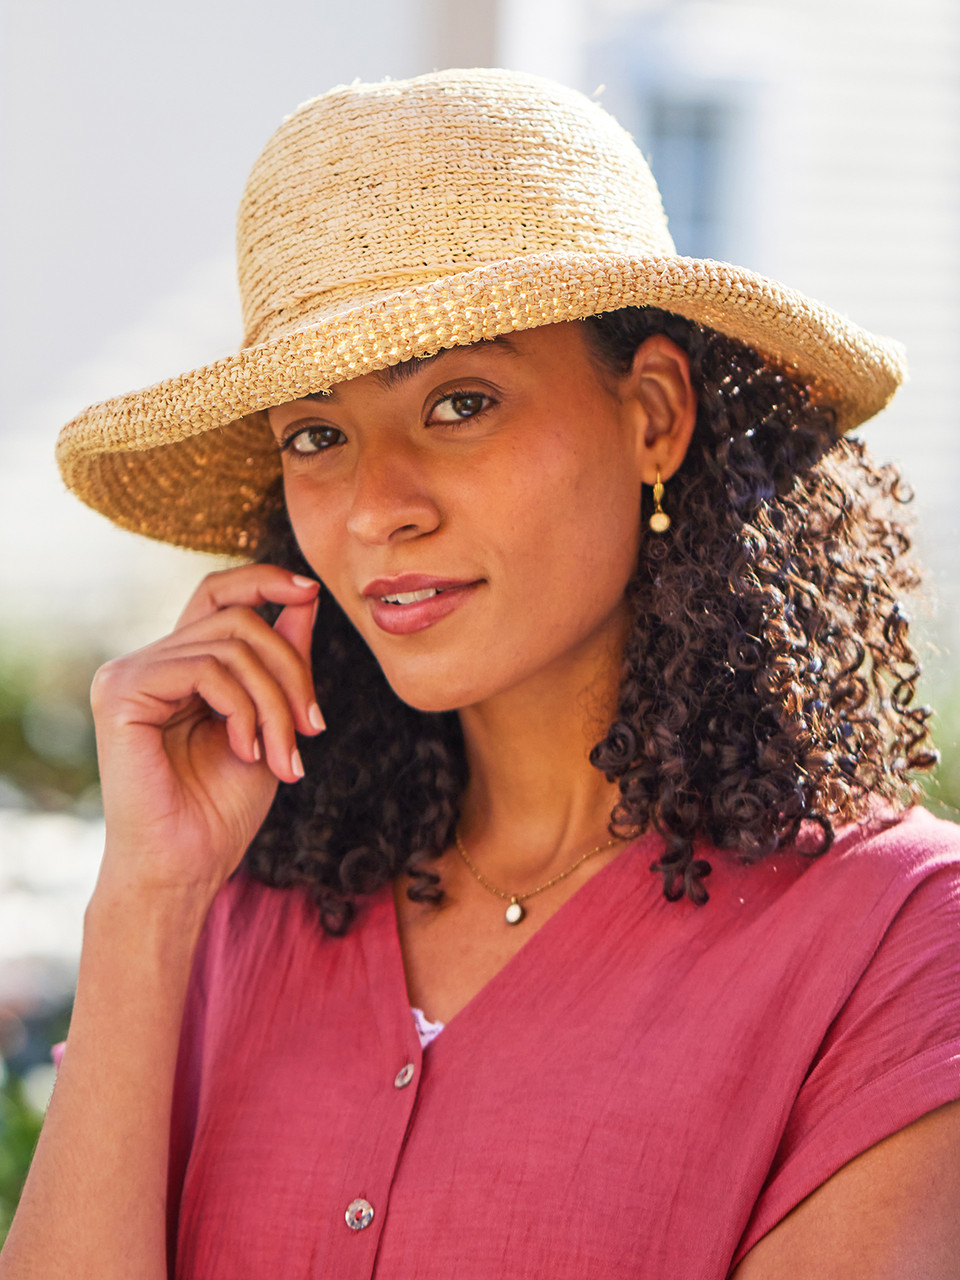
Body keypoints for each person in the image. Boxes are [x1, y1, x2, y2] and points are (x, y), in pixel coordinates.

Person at [2, 67, 959, 1280]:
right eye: (317, 435)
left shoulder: (895, 943)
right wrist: (144, 899)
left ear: (654, 411)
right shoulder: (231, 913)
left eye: (459, 401)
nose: (374, 509)